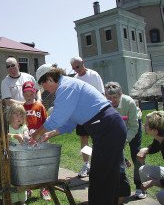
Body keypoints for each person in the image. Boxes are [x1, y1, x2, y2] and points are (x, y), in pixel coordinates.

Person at [30, 63, 127, 205]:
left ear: (49, 78)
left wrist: (35, 135)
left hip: (108, 128)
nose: (45, 90)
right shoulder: (67, 87)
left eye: (43, 85)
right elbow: (69, 123)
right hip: (108, 128)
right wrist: (49, 135)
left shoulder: (66, 88)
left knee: (101, 176)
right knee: (107, 175)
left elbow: (56, 119)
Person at [104, 82, 145, 199]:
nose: (112, 100)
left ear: (121, 94)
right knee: (114, 152)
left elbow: (134, 127)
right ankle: (118, 185)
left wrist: (124, 140)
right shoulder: (104, 103)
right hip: (116, 125)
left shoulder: (129, 102)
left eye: (115, 97)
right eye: (109, 98)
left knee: (136, 154)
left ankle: (140, 186)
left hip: (132, 125)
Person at [70, 56, 105, 178]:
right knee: (84, 140)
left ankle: (98, 164)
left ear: (83, 63)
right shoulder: (75, 79)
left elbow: (101, 94)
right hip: (82, 115)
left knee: (97, 140)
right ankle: (86, 164)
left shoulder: (93, 75)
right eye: (73, 68)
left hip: (95, 113)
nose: (76, 70)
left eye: (77, 67)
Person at [22, 81, 51, 201]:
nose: (28, 96)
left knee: (42, 163)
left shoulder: (40, 106)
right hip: (27, 140)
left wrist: (45, 134)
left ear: (35, 93)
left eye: (31, 93)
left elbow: (46, 122)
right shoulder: (21, 107)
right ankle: (28, 188)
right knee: (28, 164)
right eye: (26, 94)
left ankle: (44, 188)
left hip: (40, 138)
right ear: (23, 94)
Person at [137, 111, 164, 204]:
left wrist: (153, 182)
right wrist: (145, 149)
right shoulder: (160, 137)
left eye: (147, 125)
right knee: (143, 170)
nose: (144, 125)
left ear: (155, 131)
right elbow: (155, 147)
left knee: (162, 196)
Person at [7, 103, 29, 205]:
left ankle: (22, 200)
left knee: (21, 178)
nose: (19, 117)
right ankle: (13, 199)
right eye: (16, 114)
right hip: (10, 158)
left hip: (21, 158)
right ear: (10, 115)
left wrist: (25, 136)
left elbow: (26, 134)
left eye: (21, 115)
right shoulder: (7, 127)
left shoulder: (23, 127)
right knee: (11, 178)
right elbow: (5, 136)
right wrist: (15, 136)